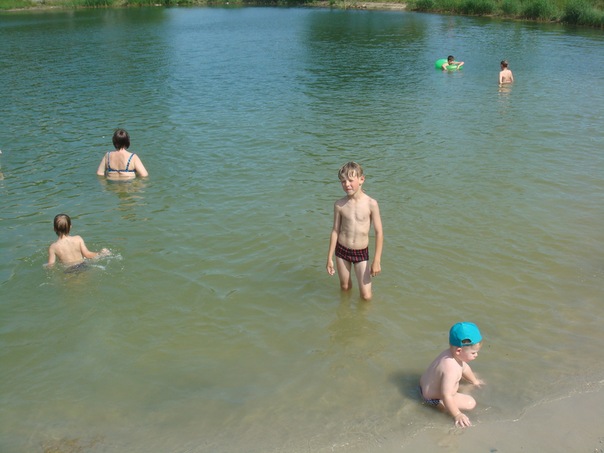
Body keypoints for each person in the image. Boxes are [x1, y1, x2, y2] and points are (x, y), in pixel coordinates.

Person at [326, 161, 383, 301]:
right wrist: (329, 258)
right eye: (343, 181)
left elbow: (379, 233)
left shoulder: (371, 204)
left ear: (361, 179)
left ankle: (362, 314)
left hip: (361, 253)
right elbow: (335, 231)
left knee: (366, 296)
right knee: (345, 287)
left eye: (351, 180)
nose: (347, 184)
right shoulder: (339, 205)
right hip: (342, 251)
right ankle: (344, 310)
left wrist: (377, 260)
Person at [419, 322, 485, 428]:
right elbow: (446, 395)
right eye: (473, 353)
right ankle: (442, 407)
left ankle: (463, 388)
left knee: (472, 376)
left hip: (424, 385)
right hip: (433, 399)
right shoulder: (451, 369)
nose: (476, 355)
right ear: (459, 351)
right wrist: (457, 414)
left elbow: (464, 368)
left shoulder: (449, 354)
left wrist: (474, 381)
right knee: (470, 403)